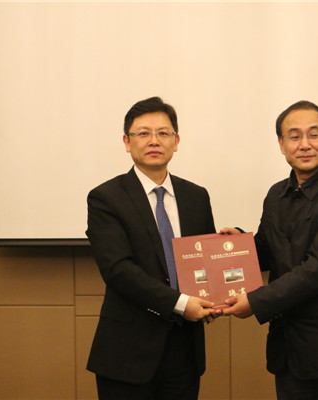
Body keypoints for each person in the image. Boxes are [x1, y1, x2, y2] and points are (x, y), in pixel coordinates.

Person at [223, 100, 318, 399]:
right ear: (281, 145)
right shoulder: (277, 194)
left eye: (313, 135)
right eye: (294, 136)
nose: (304, 145)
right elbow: (270, 250)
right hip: (289, 351)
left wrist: (255, 302)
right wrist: (239, 246)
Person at [86, 97, 218, 399]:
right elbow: (118, 270)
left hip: (185, 350)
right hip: (127, 352)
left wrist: (214, 296)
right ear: (127, 142)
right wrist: (181, 303)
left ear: (176, 141)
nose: (154, 141)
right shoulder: (106, 198)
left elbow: (203, 264)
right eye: (143, 133)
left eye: (163, 133)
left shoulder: (196, 196)